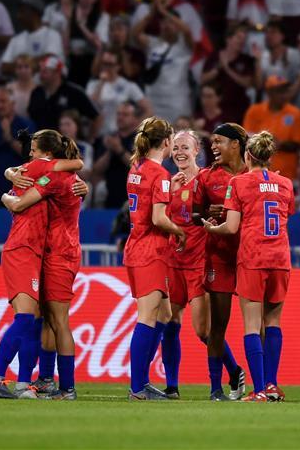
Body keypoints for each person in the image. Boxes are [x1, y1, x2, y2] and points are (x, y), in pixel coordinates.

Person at [0, 138, 83, 399]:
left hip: (51, 253)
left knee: (44, 322)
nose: (28, 157)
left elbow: (18, 200)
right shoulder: (44, 175)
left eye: (33, 151)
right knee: (32, 320)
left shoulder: (50, 175)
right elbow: (16, 182)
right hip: (27, 251)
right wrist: (10, 178)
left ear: (47, 155)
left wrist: (7, 187)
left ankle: (31, 384)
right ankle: (10, 381)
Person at [203, 131, 295, 402]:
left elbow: (231, 227)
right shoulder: (286, 183)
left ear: (247, 155)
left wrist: (212, 228)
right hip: (280, 258)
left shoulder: (238, 182)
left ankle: (258, 391)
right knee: (274, 322)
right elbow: (284, 213)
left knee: (252, 326)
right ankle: (272, 385)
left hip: (253, 258)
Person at [123, 117, 185, 400]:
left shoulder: (137, 167)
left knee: (166, 313)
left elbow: (148, 199)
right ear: (167, 143)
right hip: (151, 251)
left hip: (136, 246)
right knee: (147, 317)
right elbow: (158, 218)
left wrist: (168, 186)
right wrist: (179, 230)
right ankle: (137, 388)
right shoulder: (158, 174)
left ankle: (143, 382)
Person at [194, 123, 250, 401]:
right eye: (212, 142)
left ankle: (265, 385)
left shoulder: (255, 174)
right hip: (219, 255)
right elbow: (194, 215)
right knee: (218, 325)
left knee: (260, 325)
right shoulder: (206, 178)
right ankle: (216, 389)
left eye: (219, 141)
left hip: (251, 255)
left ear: (236, 144)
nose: (213, 147)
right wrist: (208, 212)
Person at [157, 131, 209, 399]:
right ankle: (172, 387)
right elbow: (158, 219)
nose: (179, 152)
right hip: (173, 263)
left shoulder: (207, 180)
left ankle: (234, 372)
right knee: (169, 322)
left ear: (197, 150)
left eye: (185, 147)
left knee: (203, 331)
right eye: (175, 147)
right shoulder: (167, 183)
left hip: (199, 263)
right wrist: (172, 193)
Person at [133, 0, 193, 124]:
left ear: (177, 25)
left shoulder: (184, 46)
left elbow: (187, 31)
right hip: (154, 102)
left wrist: (164, 12)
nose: (166, 25)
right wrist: (151, 15)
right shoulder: (152, 43)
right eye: (164, 22)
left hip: (177, 104)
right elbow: (135, 34)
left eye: (171, 22)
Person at [242, 76, 300, 180]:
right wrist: (266, 142)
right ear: (269, 92)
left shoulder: (295, 113)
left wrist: (279, 144)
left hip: (286, 174)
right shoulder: (254, 111)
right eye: (280, 91)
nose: (284, 95)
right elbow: (246, 138)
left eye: (285, 91)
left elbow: (297, 144)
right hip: (258, 174)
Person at [27, 55, 99, 135]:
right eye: (40, 71)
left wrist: (91, 139)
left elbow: (96, 117)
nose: (41, 75)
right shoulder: (37, 92)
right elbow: (30, 117)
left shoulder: (74, 92)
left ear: (57, 73)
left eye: (45, 72)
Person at [87, 49, 149, 135]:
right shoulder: (93, 84)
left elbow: (148, 110)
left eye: (110, 64)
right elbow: (92, 106)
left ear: (118, 66)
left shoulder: (128, 85)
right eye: (104, 63)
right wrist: (101, 83)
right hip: (97, 134)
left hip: (117, 134)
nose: (106, 67)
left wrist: (133, 129)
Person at [1, 0, 64, 77]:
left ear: (34, 13)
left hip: (45, 88)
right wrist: (32, 64)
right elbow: (4, 67)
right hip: (22, 88)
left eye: (22, 11)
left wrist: (20, 64)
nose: (18, 16)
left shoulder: (52, 35)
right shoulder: (16, 39)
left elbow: (50, 60)